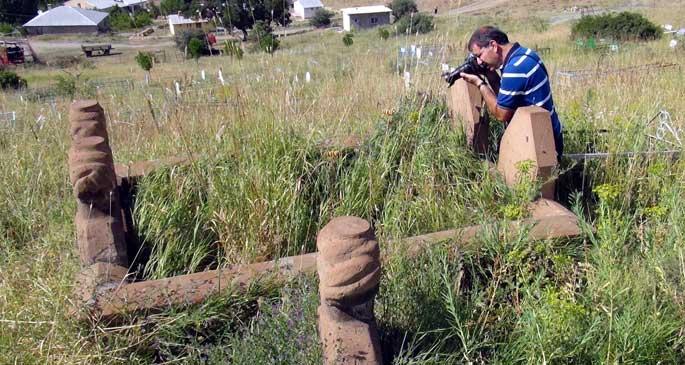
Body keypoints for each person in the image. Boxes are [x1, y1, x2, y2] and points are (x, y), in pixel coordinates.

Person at [459, 26, 564, 159]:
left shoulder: (515, 69)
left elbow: (501, 114)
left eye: (479, 55)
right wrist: (489, 73)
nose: (479, 61)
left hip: (542, 149)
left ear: (493, 45)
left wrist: (480, 83)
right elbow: (506, 98)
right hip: (548, 137)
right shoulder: (523, 55)